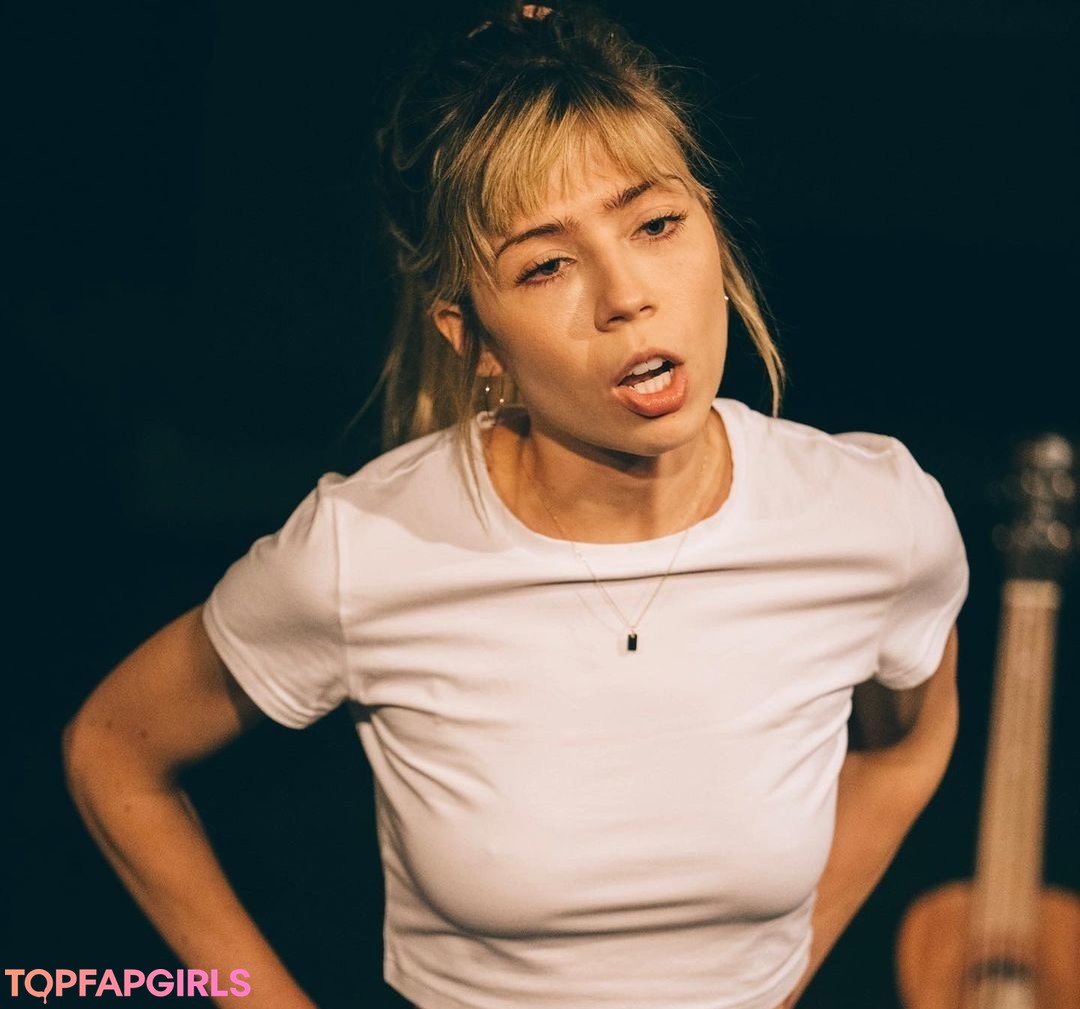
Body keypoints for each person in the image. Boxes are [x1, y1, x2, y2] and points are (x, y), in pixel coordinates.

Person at [62, 3, 969, 1008]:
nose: (625, 294)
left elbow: (907, 746)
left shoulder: (873, 521)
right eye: (546, 264)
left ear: (712, 231)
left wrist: (780, 971)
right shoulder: (367, 551)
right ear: (476, 337)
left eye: (656, 224)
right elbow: (114, 750)